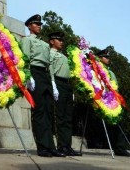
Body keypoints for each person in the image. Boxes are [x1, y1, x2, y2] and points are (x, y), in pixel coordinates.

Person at [20, 15, 65, 158]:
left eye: (40, 24)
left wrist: (52, 82)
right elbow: (25, 58)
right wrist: (28, 76)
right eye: (36, 24)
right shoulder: (27, 40)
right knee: (39, 111)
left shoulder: (45, 44)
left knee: (48, 112)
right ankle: (42, 146)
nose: (39, 26)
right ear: (29, 26)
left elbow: (49, 64)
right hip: (35, 73)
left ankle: (50, 146)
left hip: (45, 75)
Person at [97, 48, 130, 157]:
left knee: (119, 123)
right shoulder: (97, 70)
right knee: (114, 124)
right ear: (100, 58)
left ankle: (120, 148)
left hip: (115, 99)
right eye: (106, 57)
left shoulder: (110, 71)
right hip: (105, 99)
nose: (108, 59)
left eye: (108, 57)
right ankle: (118, 148)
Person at [49, 31, 82, 156]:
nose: (61, 42)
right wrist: (53, 84)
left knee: (68, 118)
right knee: (61, 117)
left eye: (62, 40)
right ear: (52, 41)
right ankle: (61, 146)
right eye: (59, 40)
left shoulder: (62, 55)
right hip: (58, 83)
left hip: (67, 84)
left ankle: (68, 146)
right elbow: (50, 69)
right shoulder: (51, 53)